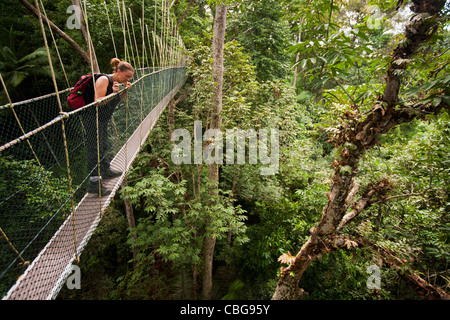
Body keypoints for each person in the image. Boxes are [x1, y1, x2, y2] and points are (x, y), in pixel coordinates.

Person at [83, 58, 134, 195]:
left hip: (103, 119)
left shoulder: (118, 82)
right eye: (127, 76)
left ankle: (105, 171)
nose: (128, 79)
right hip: (92, 119)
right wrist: (112, 93)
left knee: (103, 144)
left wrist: (124, 91)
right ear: (118, 71)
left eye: (130, 77)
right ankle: (94, 184)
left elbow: (116, 101)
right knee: (94, 149)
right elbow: (98, 102)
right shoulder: (104, 80)